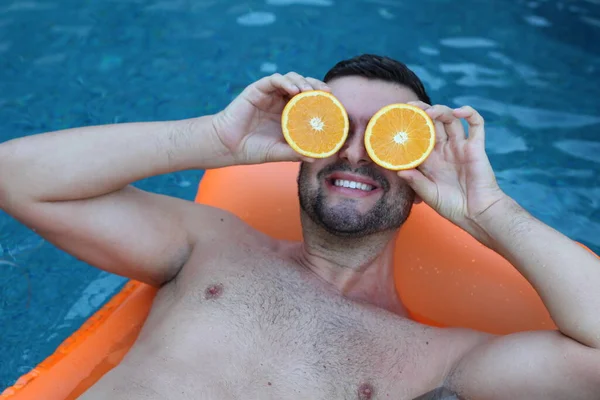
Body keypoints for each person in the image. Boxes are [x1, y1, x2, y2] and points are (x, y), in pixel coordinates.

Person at [0, 54, 598, 400]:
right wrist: (213, 139)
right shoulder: (212, 245)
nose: (356, 154)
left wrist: (489, 212)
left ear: (420, 164)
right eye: (334, 127)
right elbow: (17, 176)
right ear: (300, 142)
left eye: (390, 137)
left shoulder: (443, 358)